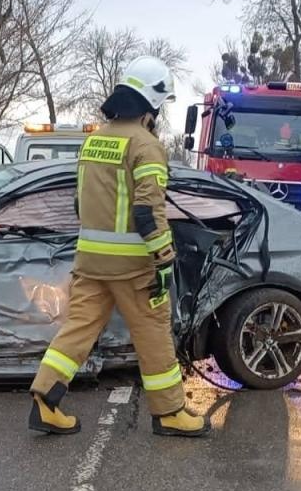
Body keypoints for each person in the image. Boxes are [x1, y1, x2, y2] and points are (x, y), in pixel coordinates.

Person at [28, 56, 209, 438]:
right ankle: (170, 412)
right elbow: (147, 213)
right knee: (153, 332)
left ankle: (45, 400)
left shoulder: (93, 141)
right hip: (133, 267)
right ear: (151, 105)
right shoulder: (146, 146)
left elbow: (80, 204)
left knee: (77, 329)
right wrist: (164, 260)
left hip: (90, 261)